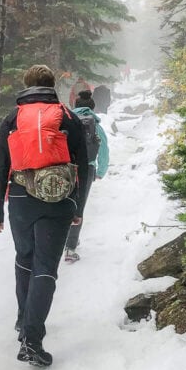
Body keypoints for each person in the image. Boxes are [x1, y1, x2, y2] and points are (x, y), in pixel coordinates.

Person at [0, 64, 89, 368]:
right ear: (52, 85)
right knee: (45, 266)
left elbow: (0, 167)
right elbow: (82, 166)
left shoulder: (13, 118)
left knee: (24, 258)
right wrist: (77, 207)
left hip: (20, 198)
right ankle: (32, 339)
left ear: (26, 85)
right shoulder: (67, 117)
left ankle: (23, 322)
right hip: (58, 200)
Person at [65, 90, 109, 263]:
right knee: (79, 206)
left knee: (64, 203)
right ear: (92, 108)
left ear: (75, 107)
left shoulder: (66, 121)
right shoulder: (96, 125)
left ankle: (62, 240)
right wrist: (100, 171)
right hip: (87, 168)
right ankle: (70, 248)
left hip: (65, 168)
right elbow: (104, 150)